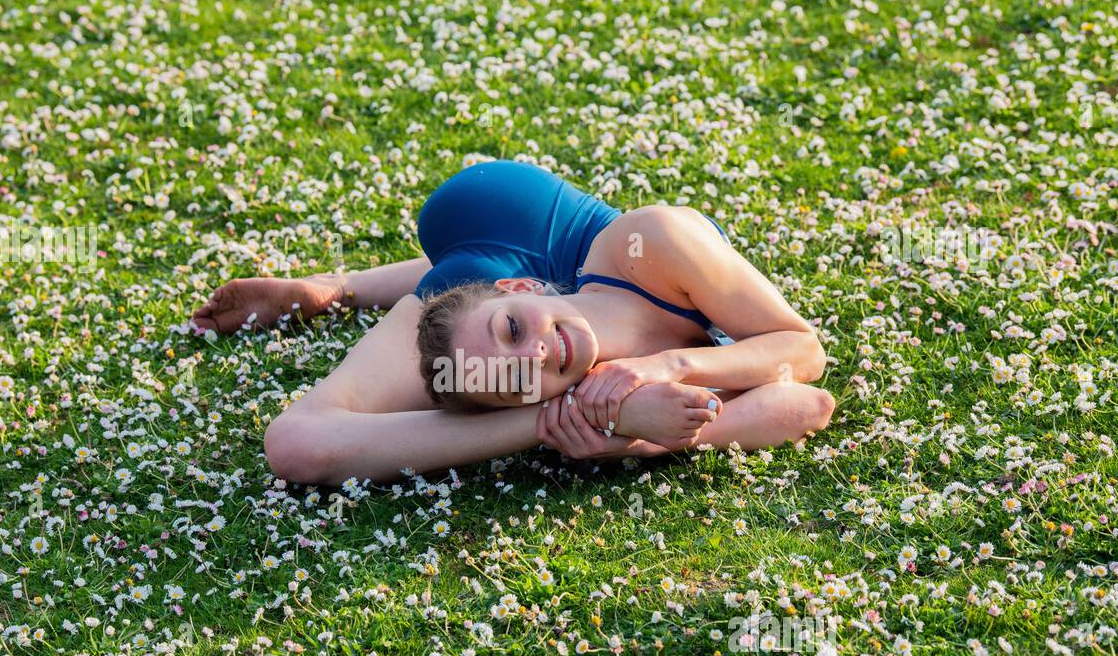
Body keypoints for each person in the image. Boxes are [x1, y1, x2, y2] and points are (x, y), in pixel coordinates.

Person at [192, 160, 834, 484]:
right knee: (452, 330)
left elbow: (802, 349)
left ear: (522, 288)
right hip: (480, 294)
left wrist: (671, 364)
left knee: (473, 287)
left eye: (516, 337)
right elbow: (806, 403)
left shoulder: (658, 240)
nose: (537, 355)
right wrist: (624, 436)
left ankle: (342, 287)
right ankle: (342, 289)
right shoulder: (589, 394)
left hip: (517, 211)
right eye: (520, 383)